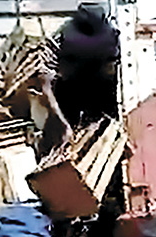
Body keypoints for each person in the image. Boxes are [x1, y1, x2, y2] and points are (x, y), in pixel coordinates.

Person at [34, 3, 121, 157]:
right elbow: (45, 83)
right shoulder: (60, 40)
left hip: (104, 93)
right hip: (69, 93)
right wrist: (62, 123)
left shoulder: (116, 38)